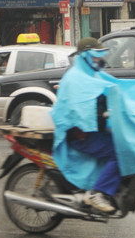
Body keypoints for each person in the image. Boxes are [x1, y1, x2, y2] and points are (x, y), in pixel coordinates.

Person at [52, 38, 121, 213]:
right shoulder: (75, 78)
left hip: (94, 130)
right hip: (81, 135)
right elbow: (79, 111)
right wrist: (101, 114)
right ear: (85, 57)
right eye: (95, 56)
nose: (99, 59)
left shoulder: (92, 75)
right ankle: (97, 193)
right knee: (118, 154)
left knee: (121, 144)